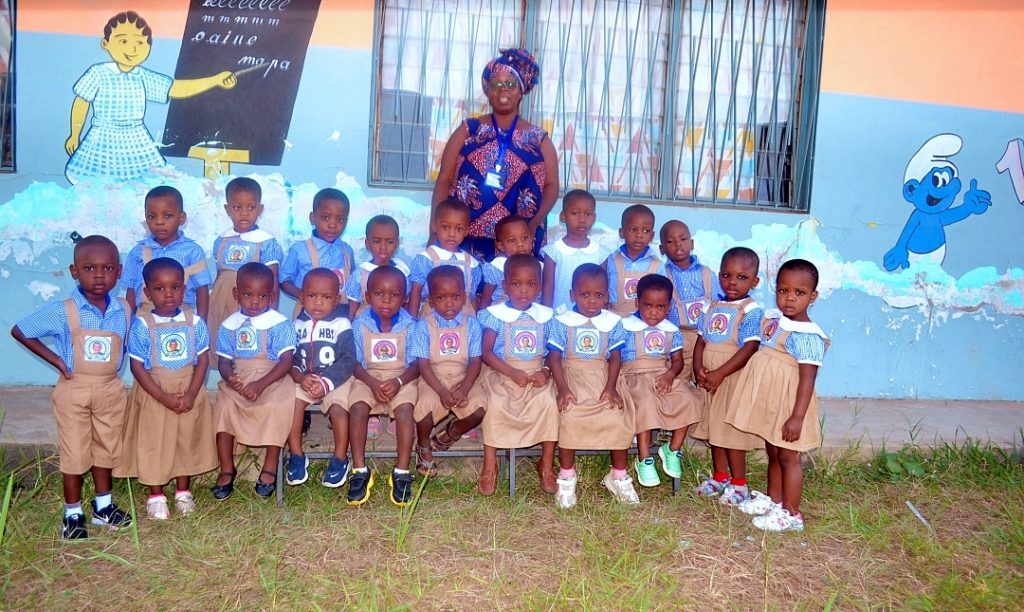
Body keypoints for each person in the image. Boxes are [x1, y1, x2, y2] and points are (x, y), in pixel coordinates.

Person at [11, 235, 133, 540]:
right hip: (74, 389)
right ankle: (72, 513)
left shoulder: (124, 310)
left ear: (118, 272)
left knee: (106, 447)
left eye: (107, 268)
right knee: (75, 452)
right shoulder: (63, 310)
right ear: (74, 271)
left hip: (109, 389)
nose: (99, 275)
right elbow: (21, 330)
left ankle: (103, 508)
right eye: (89, 267)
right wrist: (57, 360)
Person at [64, 11, 237, 184]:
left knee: (144, 184)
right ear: (105, 43)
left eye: (140, 42)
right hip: (102, 137)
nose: (132, 49)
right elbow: (82, 100)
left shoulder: (143, 76)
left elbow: (176, 88)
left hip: (136, 138)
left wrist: (215, 80)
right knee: (94, 183)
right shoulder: (97, 73)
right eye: (123, 41)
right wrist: (74, 134)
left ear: (149, 46)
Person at [726, 259, 828, 532]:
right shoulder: (775, 320)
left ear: (813, 296)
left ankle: (791, 514)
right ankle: (774, 500)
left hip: (791, 404)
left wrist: (797, 417)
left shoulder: (807, 334)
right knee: (773, 450)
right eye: (784, 291)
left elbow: (808, 379)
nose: (790, 299)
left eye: (799, 293)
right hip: (773, 401)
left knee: (789, 457)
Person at [431, 48, 559, 260]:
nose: (503, 90)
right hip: (464, 237)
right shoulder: (468, 131)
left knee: (515, 291)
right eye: (496, 84)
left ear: (521, 90)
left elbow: (552, 186)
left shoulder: (539, 139)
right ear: (487, 90)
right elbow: (444, 180)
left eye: (510, 84)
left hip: (518, 242)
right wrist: (433, 230)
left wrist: (534, 222)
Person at [116, 258, 216, 519]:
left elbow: (203, 358)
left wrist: (193, 393)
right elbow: (137, 366)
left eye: (175, 287)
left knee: (186, 439)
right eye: (159, 289)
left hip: (188, 390)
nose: (168, 294)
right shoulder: (142, 325)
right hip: (155, 392)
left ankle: (183, 492)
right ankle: (156, 495)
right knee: (154, 442)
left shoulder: (195, 322)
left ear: (184, 289)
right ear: (147, 293)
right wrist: (161, 396)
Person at [547, 264, 638, 508]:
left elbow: (616, 357)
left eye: (599, 295)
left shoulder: (613, 322)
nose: (591, 301)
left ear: (607, 296)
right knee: (569, 416)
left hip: (602, 376)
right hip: (570, 376)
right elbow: (554, 357)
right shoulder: (562, 322)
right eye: (585, 294)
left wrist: (611, 387)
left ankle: (618, 475)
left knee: (617, 416)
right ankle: (567, 477)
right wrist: (563, 388)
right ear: (572, 295)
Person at [210, 263, 296, 501]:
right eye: (248, 295)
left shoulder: (279, 323)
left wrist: (260, 385)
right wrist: (230, 378)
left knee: (276, 406)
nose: (255, 301)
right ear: (237, 294)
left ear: (272, 296)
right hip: (239, 378)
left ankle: (269, 466)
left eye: (262, 296)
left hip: (273, 378)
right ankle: (227, 467)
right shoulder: (230, 325)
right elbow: (224, 361)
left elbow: (286, 361)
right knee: (224, 407)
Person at [477, 254, 558, 496]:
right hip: (502, 371)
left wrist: (545, 371)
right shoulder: (495, 315)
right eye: (516, 284)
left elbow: (554, 352)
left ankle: (546, 463)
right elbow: (486, 352)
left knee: (549, 403)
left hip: (537, 372)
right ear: (505, 286)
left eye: (531, 284)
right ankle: (490, 464)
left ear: (539, 286)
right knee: (496, 403)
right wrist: (511, 372)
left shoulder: (546, 316)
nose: (524, 291)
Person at [691, 247, 765, 506]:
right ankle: (720, 477)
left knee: (730, 432)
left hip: (731, 379)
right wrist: (698, 367)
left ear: (755, 282)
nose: (732, 282)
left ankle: (740, 484)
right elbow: (701, 341)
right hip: (710, 380)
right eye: (726, 275)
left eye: (742, 277)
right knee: (715, 431)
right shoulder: (713, 305)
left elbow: (750, 347)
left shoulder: (751, 310)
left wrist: (721, 373)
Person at [618, 274, 702, 488]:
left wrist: (670, 375)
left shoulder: (671, 331)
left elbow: (677, 362)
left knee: (688, 400)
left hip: (662, 373)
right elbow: (614, 356)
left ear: (669, 307)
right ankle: (644, 457)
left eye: (660, 307)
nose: (653, 312)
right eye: (647, 306)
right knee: (645, 402)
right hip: (634, 376)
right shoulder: (625, 325)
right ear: (637, 303)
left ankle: (673, 449)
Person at [347, 266, 420, 507]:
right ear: (367, 297)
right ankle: (359, 470)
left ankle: (401, 472)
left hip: (402, 378)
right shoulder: (359, 324)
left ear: (405, 298)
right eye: (379, 293)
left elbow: (418, 363)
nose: (386, 300)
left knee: (405, 412)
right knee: (357, 408)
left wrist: (398, 382)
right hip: (368, 377)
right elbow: (354, 362)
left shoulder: (411, 324)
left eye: (395, 295)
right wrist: (371, 382)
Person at [410, 266, 486, 476]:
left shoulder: (472, 324)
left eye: (455, 296)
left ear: (464, 297)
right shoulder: (424, 325)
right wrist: (442, 392)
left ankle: (451, 432)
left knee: (479, 408)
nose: (449, 303)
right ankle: (424, 445)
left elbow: (475, 360)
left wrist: (464, 388)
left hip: (463, 377)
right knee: (424, 407)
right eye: (441, 298)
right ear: (431, 301)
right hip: (433, 378)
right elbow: (423, 364)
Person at [285, 269, 356, 489]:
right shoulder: (297, 325)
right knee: (291, 403)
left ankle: (340, 458)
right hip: (305, 379)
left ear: (337, 300)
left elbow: (348, 360)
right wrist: (300, 377)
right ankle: (296, 455)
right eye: (311, 295)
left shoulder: (342, 324)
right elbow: (291, 358)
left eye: (326, 297)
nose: (318, 302)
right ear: (302, 296)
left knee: (338, 407)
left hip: (336, 380)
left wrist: (326, 383)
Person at [209, 177, 284, 343]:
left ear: (260, 209)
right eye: (237, 207)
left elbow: (273, 282)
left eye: (251, 207)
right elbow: (219, 275)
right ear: (227, 209)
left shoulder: (265, 241)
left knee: (249, 345)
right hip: (220, 303)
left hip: (252, 303)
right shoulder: (221, 240)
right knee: (224, 348)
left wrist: (269, 315)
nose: (244, 213)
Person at [123, 186, 212, 318]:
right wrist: (129, 324)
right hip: (145, 317)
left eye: (168, 216)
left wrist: (202, 322)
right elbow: (130, 291)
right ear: (146, 218)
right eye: (152, 216)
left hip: (183, 317)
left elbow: (202, 290)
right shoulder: (137, 252)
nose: (159, 222)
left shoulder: (193, 251)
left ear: (181, 218)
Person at [660, 220, 721, 382]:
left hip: (707, 339)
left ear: (692, 243)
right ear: (662, 249)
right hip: (678, 339)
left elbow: (719, 304)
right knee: (679, 383)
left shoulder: (707, 274)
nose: (678, 244)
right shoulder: (662, 275)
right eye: (670, 241)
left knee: (705, 380)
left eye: (683, 239)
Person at [280, 188, 355, 316]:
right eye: (326, 217)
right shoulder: (300, 250)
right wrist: (300, 294)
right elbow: (284, 279)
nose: (333, 225)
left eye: (340, 220)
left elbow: (354, 284)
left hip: (340, 316)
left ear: (346, 222)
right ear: (313, 218)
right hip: (307, 315)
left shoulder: (347, 251)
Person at [408, 199, 481, 317]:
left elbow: (471, 298)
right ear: (435, 226)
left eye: (459, 229)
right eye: (446, 227)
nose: (452, 234)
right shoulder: (426, 259)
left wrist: (476, 322)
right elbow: (415, 291)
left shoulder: (472, 264)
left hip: (464, 321)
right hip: (431, 318)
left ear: (466, 231)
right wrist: (411, 321)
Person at [541, 190, 611, 313]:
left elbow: (603, 290)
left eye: (588, 214)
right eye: (575, 213)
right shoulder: (553, 252)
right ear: (563, 216)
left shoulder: (601, 253)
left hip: (589, 321)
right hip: (560, 319)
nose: (582, 219)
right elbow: (547, 289)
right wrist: (545, 319)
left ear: (594, 218)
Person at [345, 215, 411, 319]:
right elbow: (353, 307)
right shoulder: (360, 275)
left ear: (397, 244)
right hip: (365, 328)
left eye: (389, 242)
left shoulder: (403, 272)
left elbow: (405, 306)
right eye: (377, 241)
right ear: (367, 243)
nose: (383, 247)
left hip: (395, 329)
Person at [606, 205, 665, 317]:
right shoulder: (611, 260)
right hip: (615, 319)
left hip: (645, 321)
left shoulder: (657, 265)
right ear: (622, 232)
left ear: (652, 236)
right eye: (633, 229)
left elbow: (663, 297)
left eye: (645, 231)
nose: (639, 235)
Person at [480, 215, 535, 308]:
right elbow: (486, 299)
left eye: (525, 238)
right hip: (501, 317)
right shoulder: (497, 267)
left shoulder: (538, 267)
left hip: (530, 318)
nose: (520, 244)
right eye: (511, 240)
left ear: (531, 240)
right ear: (500, 246)